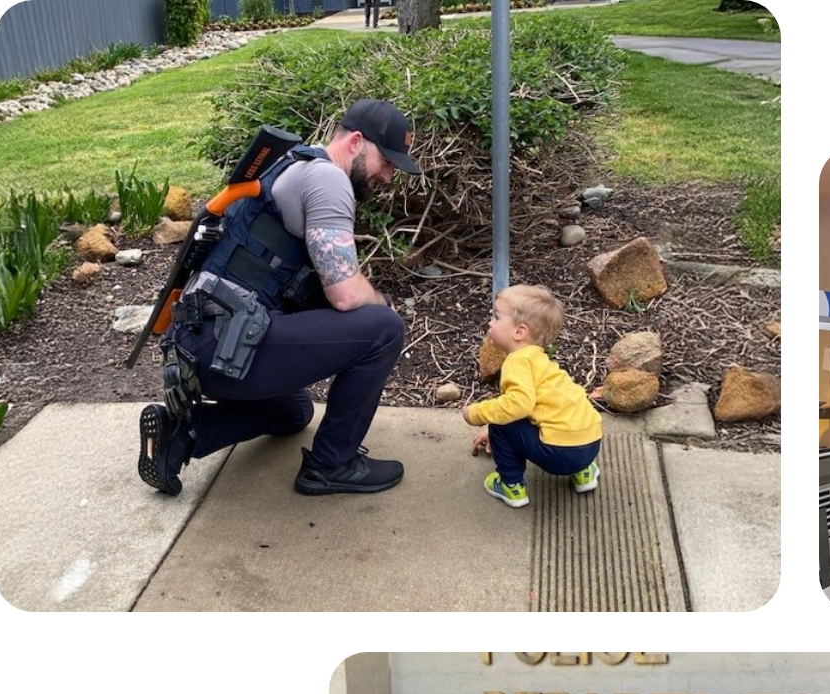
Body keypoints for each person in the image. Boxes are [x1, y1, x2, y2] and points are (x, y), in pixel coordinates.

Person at [139, 99, 418, 499]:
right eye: (387, 162)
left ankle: (183, 434)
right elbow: (344, 293)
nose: (389, 176)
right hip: (227, 345)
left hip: (203, 346)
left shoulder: (291, 163)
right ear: (356, 141)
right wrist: (383, 302)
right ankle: (330, 466)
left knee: (293, 413)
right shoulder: (329, 180)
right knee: (385, 328)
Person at [463, 284, 602, 508]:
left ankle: (511, 485)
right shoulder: (543, 364)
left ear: (519, 332)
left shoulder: (518, 361)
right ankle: (584, 472)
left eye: (497, 317)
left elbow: (517, 407)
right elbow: (540, 408)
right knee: (552, 413)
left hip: (558, 454)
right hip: (591, 443)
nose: (490, 322)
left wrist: (478, 413)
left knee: (501, 419)